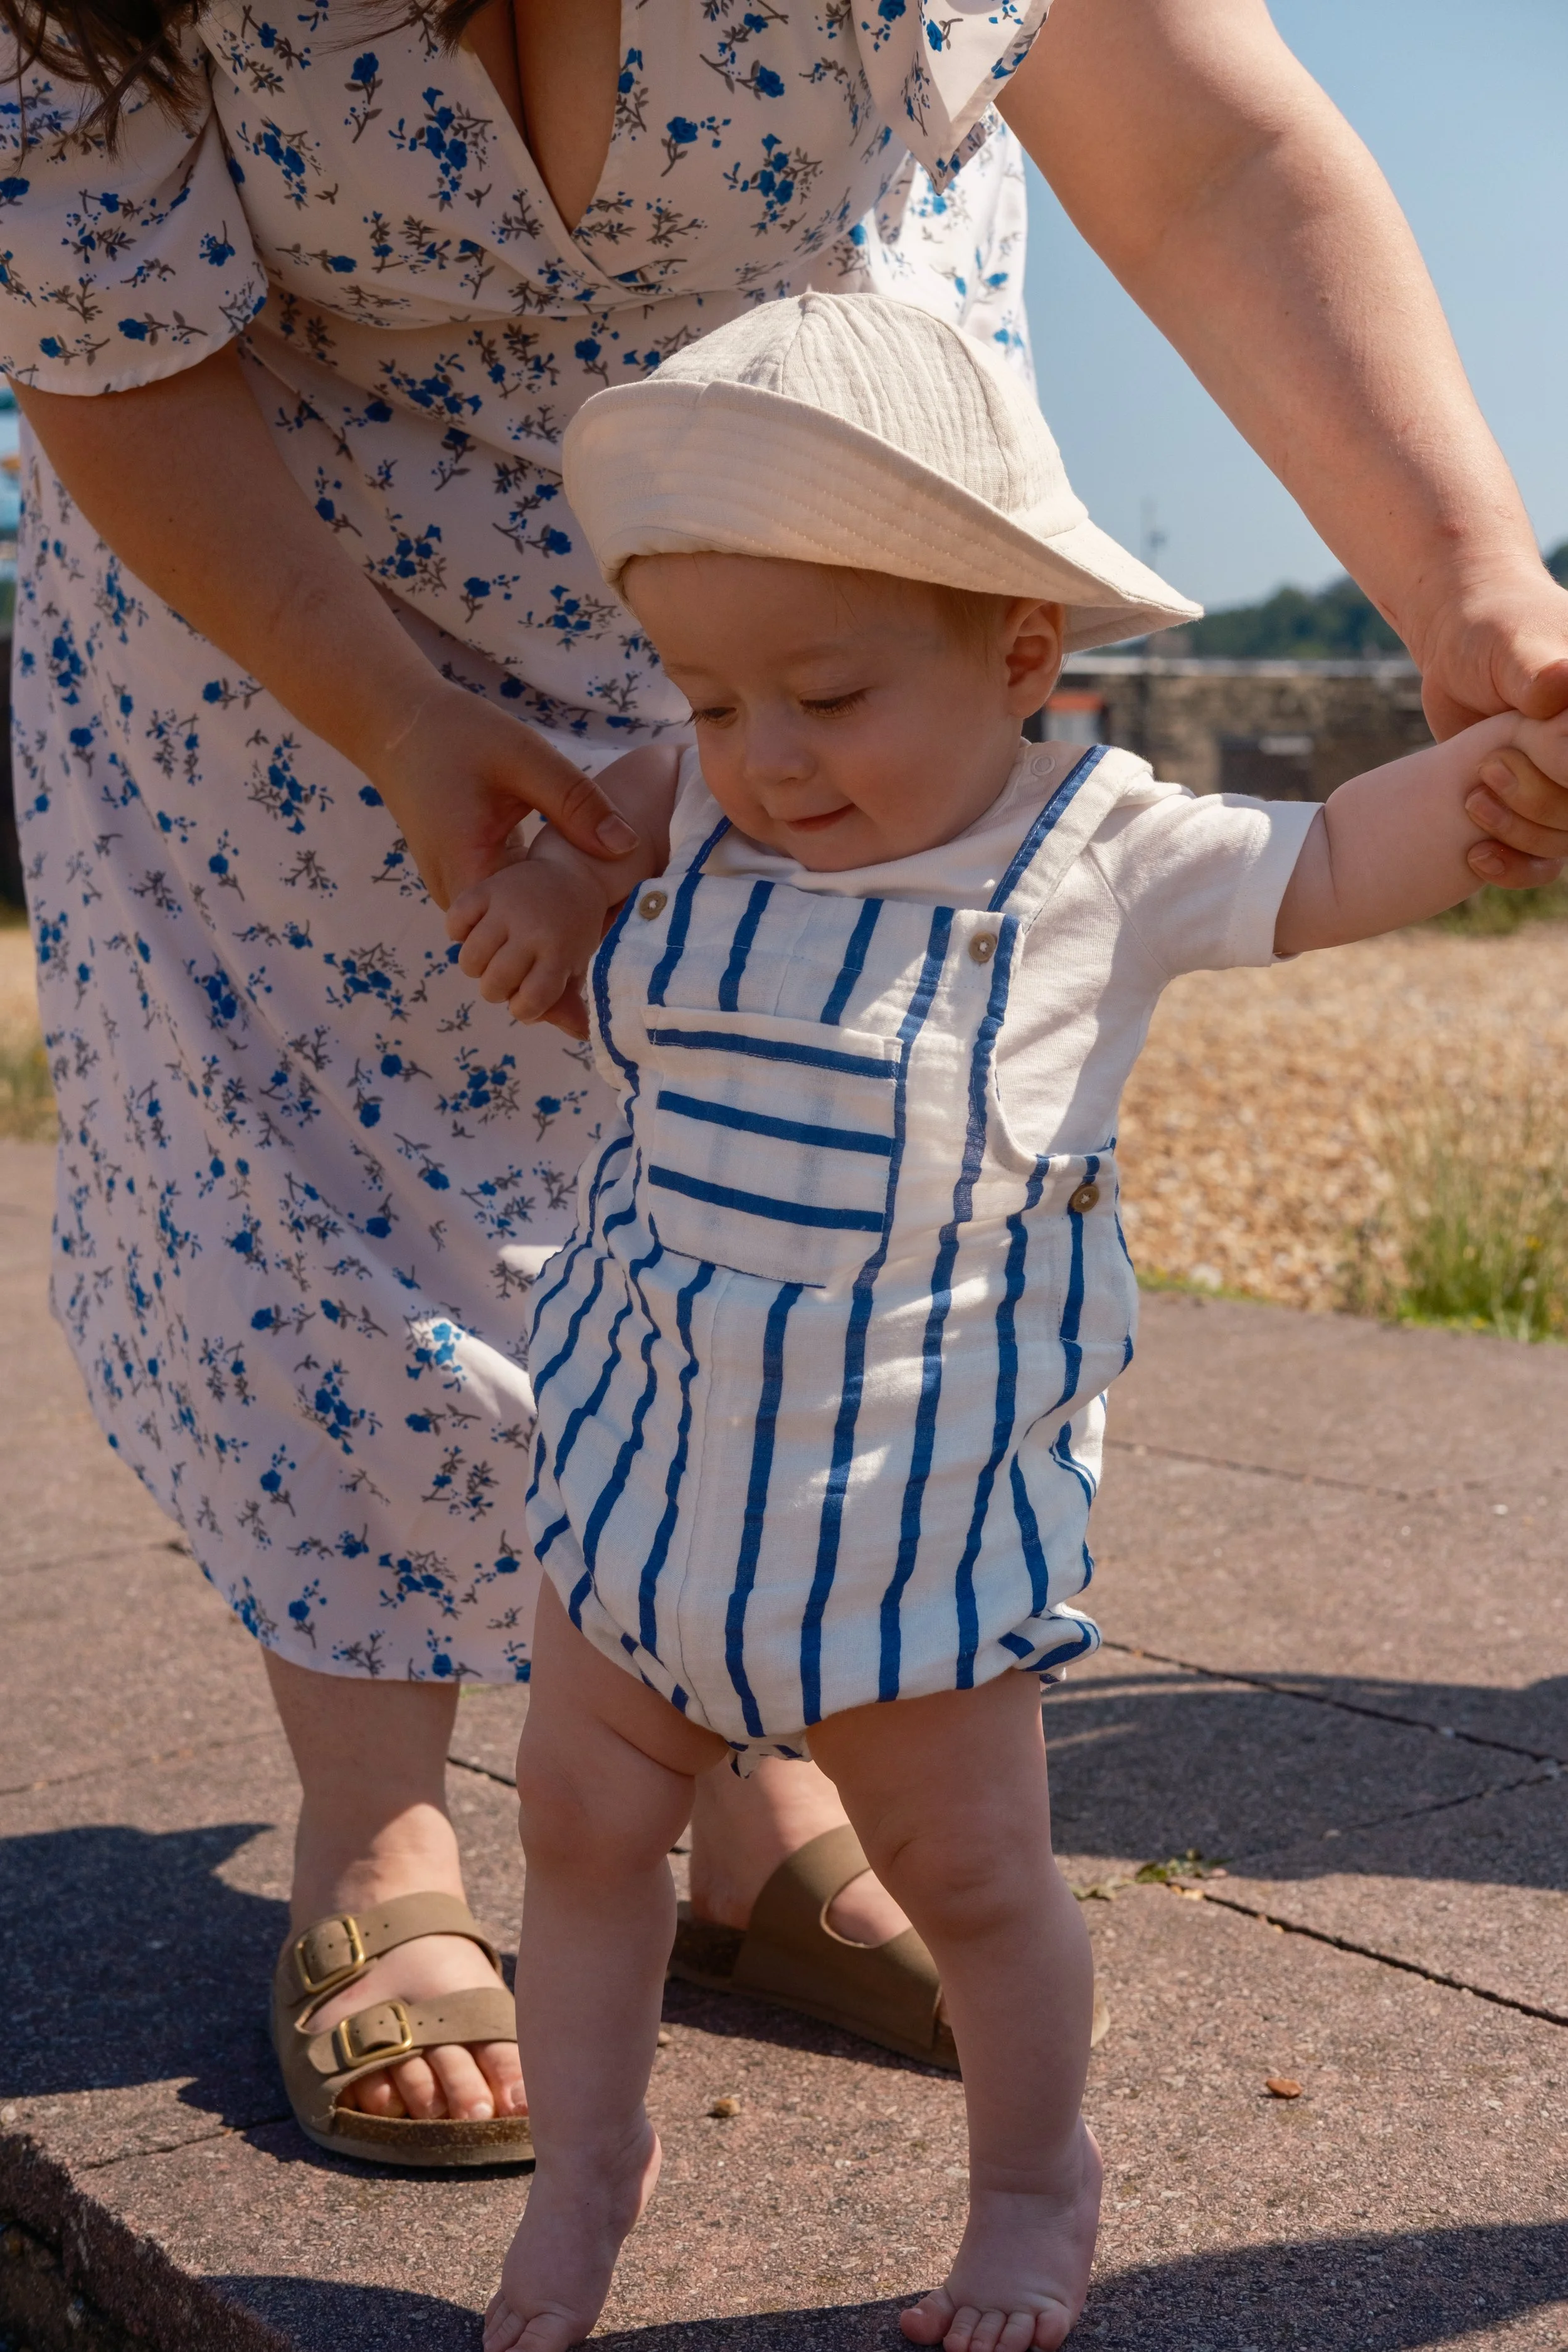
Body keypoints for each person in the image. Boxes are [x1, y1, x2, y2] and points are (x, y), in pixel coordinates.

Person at [5, 0, 1567, 2156]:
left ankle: (763, 1790)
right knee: (312, 1180)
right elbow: (100, 325)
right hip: (290, 554)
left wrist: (1468, 596)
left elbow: (1205, 157)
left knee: (807, 1246)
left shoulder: (1053, 813)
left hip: (836, 521)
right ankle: (375, 1828)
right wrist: (399, 727)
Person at [447, 292, 1568, 2352]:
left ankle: (1034, 2179)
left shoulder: (1099, 852)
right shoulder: (696, 800)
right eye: (709, 698)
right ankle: (588, 2165)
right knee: (574, 1813)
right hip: (650, 1455)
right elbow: (609, 826)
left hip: (905, 1513)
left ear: (1019, 653)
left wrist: (1509, 774)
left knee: (970, 1881)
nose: (763, 757)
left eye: (830, 692)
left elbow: (1327, 855)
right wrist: (559, 896)